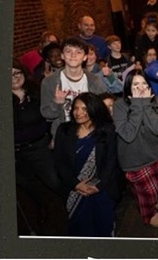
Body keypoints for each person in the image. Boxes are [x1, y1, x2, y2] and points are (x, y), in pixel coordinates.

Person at [53, 93, 120, 237]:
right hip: (75, 190)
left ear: (94, 109)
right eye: (76, 108)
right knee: (81, 228)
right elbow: (59, 162)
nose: (78, 113)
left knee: (103, 225)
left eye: (84, 109)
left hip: (101, 190)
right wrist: (75, 184)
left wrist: (98, 186)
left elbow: (111, 161)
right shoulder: (64, 130)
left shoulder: (106, 131)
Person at [113, 69, 158, 228]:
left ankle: (151, 203)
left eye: (144, 83)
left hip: (156, 154)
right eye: (136, 84)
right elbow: (128, 134)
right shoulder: (119, 105)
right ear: (128, 87)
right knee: (147, 194)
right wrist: (138, 105)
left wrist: (146, 104)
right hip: (134, 161)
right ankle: (148, 213)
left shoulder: (154, 100)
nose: (141, 88)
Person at [14, 63, 59, 234]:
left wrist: (52, 136)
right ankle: (42, 206)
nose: (15, 76)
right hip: (15, 152)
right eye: (10, 74)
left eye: (18, 72)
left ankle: (70, 206)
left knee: (53, 180)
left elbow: (48, 115)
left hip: (39, 146)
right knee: (27, 183)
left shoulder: (36, 92)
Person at [42, 38, 109, 136]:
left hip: (91, 133)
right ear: (62, 55)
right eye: (68, 51)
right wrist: (57, 103)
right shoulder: (49, 82)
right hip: (64, 134)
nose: (73, 55)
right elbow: (47, 115)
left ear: (85, 57)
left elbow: (103, 111)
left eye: (78, 52)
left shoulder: (94, 81)